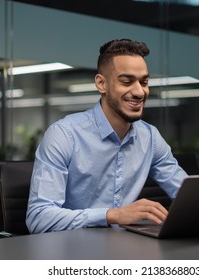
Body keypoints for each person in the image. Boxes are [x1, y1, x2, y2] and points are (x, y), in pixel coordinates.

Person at [26, 38, 188, 233]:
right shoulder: (63, 135)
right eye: (127, 81)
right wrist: (112, 215)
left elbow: (187, 196)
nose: (139, 91)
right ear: (101, 84)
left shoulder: (150, 138)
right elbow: (38, 218)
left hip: (126, 249)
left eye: (144, 82)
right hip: (74, 252)